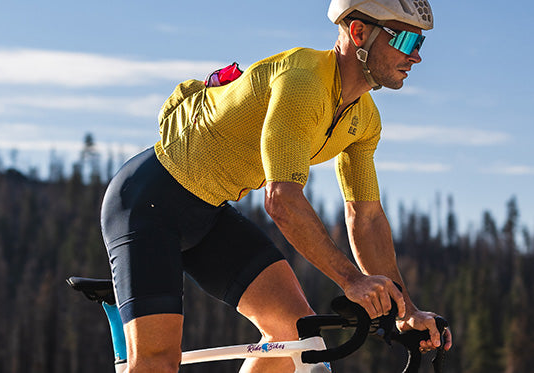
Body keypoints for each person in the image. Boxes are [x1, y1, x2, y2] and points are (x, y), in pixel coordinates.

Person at [100, 0, 453, 371]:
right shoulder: (302, 84)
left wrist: (405, 310)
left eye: (420, 44)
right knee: (157, 360)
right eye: (407, 41)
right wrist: (351, 280)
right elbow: (282, 201)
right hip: (149, 203)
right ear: (358, 32)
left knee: (295, 338)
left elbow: (365, 217)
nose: (415, 57)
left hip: (208, 214)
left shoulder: (364, 118)